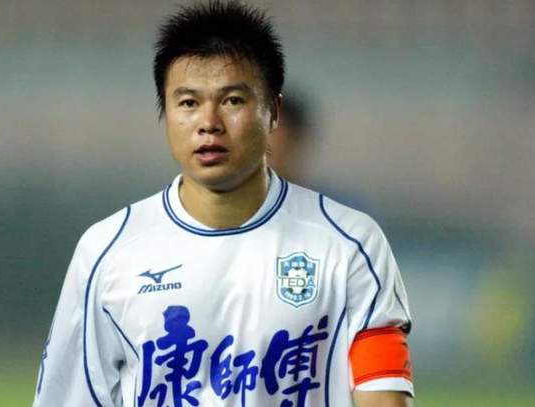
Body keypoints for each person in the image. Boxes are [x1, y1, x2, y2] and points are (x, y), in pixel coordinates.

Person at [33, 1, 414, 406]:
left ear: (273, 112)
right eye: (188, 103)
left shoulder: (350, 245)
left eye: (232, 100)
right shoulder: (107, 252)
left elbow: (383, 397)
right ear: (165, 114)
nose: (209, 123)